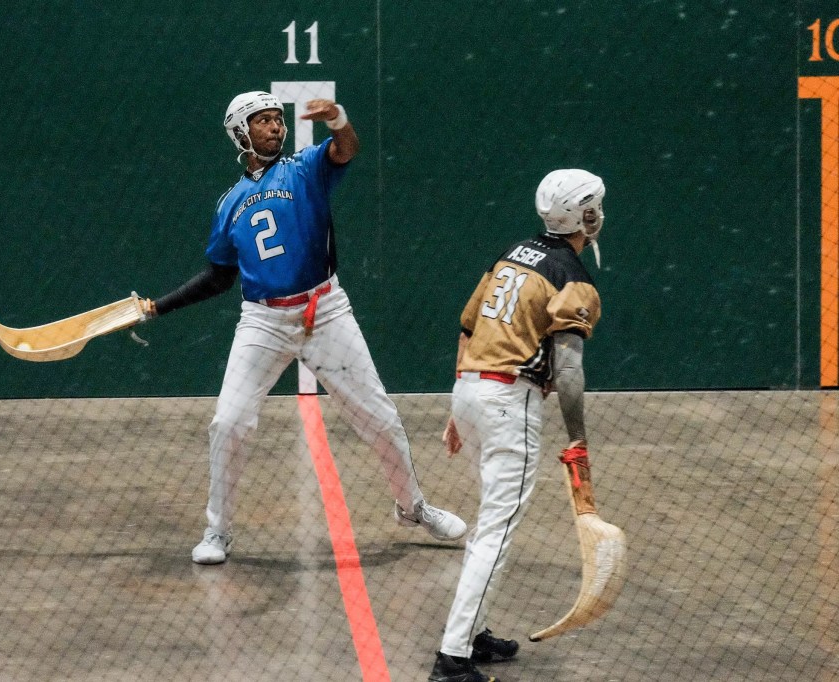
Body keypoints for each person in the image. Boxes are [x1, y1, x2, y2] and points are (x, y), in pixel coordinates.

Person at [140, 91, 467, 565]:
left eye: (278, 119)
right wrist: (158, 307)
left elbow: (346, 148)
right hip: (263, 320)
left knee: (380, 419)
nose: (276, 127)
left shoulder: (305, 168)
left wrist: (337, 118)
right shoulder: (229, 204)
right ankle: (218, 531)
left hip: (326, 309)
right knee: (228, 422)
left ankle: (413, 506)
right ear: (240, 133)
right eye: (264, 121)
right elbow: (219, 276)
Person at [427, 169, 606, 682]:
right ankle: (452, 658)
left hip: (471, 391)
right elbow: (569, 370)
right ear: (587, 215)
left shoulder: (512, 254)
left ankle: (472, 631)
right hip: (510, 403)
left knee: (488, 522)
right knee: (496, 534)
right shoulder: (573, 276)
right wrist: (578, 438)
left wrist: (459, 406)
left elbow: (468, 327)